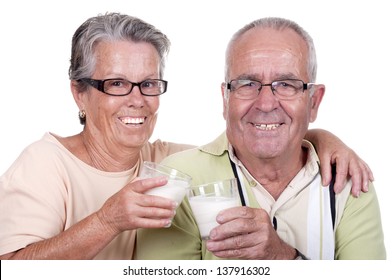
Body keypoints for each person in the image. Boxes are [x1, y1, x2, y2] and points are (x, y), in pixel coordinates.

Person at [0, 13, 372, 260]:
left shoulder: (169, 162)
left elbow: (255, 138)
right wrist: (107, 221)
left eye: (148, 83)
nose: (137, 100)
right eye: (116, 84)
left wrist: (322, 138)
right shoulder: (44, 164)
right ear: (79, 93)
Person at [134, 17, 386, 260]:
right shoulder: (176, 181)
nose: (266, 104)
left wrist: (281, 257)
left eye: (287, 84)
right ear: (225, 99)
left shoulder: (349, 181)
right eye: (247, 83)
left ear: (314, 102)